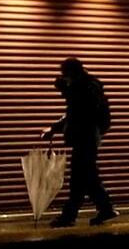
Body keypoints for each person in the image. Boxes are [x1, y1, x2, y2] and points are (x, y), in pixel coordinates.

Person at [41, 58, 117, 227]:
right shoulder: (82, 86)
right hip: (85, 138)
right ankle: (104, 209)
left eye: (64, 74)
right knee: (85, 178)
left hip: (87, 138)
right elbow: (73, 113)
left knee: (80, 178)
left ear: (71, 72)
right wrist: (54, 128)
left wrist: (67, 90)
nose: (63, 78)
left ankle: (70, 216)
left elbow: (81, 112)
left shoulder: (87, 87)